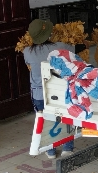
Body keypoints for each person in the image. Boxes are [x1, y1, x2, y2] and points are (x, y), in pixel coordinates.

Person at [23, 19, 75, 159]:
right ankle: (67, 148)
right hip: (59, 92)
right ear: (49, 34)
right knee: (65, 118)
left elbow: (29, 62)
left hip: (39, 94)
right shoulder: (60, 47)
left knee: (45, 119)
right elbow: (74, 51)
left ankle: (50, 150)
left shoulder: (27, 51)